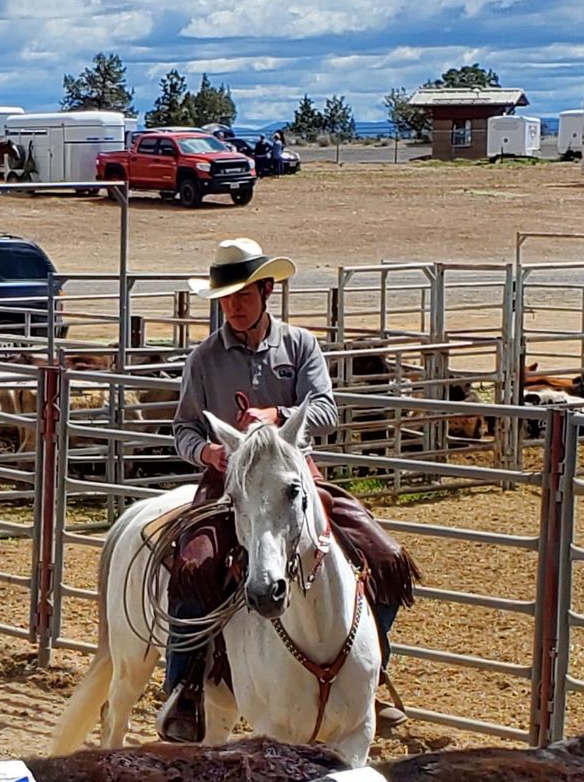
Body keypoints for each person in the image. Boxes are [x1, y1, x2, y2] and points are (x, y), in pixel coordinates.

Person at [159, 238, 417, 743]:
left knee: (386, 560)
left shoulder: (299, 346)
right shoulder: (204, 358)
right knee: (192, 568)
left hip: (296, 479)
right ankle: (185, 686)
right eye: (226, 298)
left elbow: (325, 408)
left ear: (266, 291)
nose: (233, 307)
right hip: (230, 483)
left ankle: (368, 676)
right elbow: (183, 428)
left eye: (242, 295)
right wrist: (208, 453)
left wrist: (278, 414)